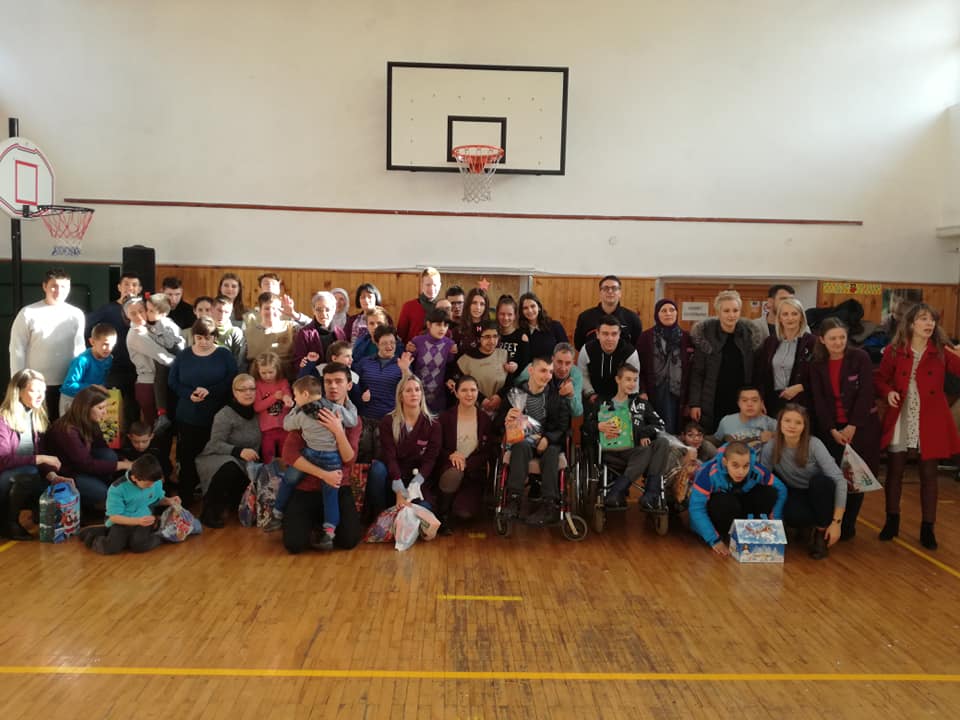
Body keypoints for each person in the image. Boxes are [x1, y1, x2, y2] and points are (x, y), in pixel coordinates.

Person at [874, 303, 960, 550]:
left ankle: (927, 528)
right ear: (911, 324)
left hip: (930, 418)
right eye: (923, 319)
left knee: (929, 474)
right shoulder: (895, 351)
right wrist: (888, 392)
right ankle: (891, 521)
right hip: (901, 414)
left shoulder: (942, 351)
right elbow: (880, 378)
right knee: (895, 471)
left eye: (932, 319)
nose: (929, 323)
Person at [808, 317, 881, 540]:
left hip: (861, 427)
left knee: (856, 476)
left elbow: (866, 393)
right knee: (832, 476)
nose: (838, 342)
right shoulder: (816, 364)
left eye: (842, 337)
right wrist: (831, 429)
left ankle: (848, 525)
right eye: (833, 338)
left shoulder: (860, 357)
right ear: (822, 340)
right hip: (831, 429)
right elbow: (819, 401)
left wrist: (852, 425)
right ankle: (831, 521)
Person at [265, 371, 358, 546]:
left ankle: (277, 512)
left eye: (296, 396)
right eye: (328, 382)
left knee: (289, 478)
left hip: (314, 456)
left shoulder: (301, 414)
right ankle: (328, 532)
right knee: (295, 543)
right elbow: (289, 455)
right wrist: (325, 475)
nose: (333, 386)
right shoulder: (336, 410)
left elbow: (286, 424)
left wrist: (295, 408)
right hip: (328, 464)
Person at [760, 404, 847, 559]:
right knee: (792, 514)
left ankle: (821, 533)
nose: (792, 426)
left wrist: (836, 523)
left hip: (819, 492)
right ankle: (804, 526)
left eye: (798, 422)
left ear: (804, 426)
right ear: (780, 423)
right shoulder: (771, 447)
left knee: (821, 482)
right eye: (787, 420)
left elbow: (839, 480)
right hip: (795, 490)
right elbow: (763, 480)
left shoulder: (814, 444)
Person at [168, 318, 238, 502]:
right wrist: (188, 394)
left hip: (217, 416)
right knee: (187, 457)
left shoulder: (224, 354)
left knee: (215, 455)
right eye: (199, 338)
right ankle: (186, 497)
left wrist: (210, 391)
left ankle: (215, 497)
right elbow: (172, 381)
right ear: (193, 337)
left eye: (208, 338)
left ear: (214, 336)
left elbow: (231, 379)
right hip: (188, 415)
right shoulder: (184, 355)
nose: (203, 342)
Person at [588, 363, 672, 510]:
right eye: (628, 379)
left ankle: (651, 495)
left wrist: (645, 433)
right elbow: (586, 426)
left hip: (637, 451)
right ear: (618, 380)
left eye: (635, 380)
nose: (632, 384)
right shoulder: (603, 402)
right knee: (645, 451)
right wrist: (598, 426)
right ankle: (617, 491)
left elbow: (660, 424)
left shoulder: (642, 404)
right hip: (613, 451)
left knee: (662, 443)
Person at [499, 355, 571, 525]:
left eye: (550, 372)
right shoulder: (515, 394)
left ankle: (549, 505)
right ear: (531, 370)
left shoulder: (556, 396)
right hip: (523, 441)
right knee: (520, 445)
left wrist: (547, 438)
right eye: (543, 371)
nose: (547, 376)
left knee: (552, 453)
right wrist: (506, 418)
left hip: (549, 443)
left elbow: (564, 428)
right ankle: (514, 499)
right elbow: (498, 423)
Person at [8, 268, 85, 421]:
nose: (59, 291)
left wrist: (80, 379)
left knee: (63, 426)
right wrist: (19, 382)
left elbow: (79, 348)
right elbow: (17, 349)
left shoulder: (76, 314)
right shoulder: (28, 313)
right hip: (34, 385)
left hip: (67, 384)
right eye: (54, 286)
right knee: (36, 426)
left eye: (63, 287)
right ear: (44, 286)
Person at [688, 441, 787, 556]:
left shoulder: (755, 469)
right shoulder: (708, 473)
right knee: (724, 503)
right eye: (735, 465)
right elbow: (696, 508)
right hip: (720, 510)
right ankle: (722, 533)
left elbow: (781, 488)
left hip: (739, 505)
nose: (741, 472)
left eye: (746, 466)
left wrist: (775, 520)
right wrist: (714, 540)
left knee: (769, 492)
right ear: (725, 462)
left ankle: (750, 531)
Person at [365, 374, 442, 521]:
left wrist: (417, 481)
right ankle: (379, 516)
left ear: (422, 394)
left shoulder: (433, 425)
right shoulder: (388, 421)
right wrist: (398, 484)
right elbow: (390, 456)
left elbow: (430, 459)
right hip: (393, 477)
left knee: (425, 509)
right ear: (400, 396)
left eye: (417, 390)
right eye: (408, 390)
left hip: (417, 481)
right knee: (377, 469)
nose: (414, 393)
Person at [46, 386, 133, 511]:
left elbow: (101, 446)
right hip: (66, 472)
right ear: (86, 408)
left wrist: (124, 460)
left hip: (81, 465)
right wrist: (123, 465)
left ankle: (101, 489)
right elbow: (85, 464)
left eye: (105, 408)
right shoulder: (67, 430)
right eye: (100, 408)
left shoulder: (89, 421)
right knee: (101, 492)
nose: (105, 412)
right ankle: (86, 503)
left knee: (110, 455)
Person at [688, 290, 764, 434]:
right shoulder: (706, 336)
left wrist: (759, 400)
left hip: (741, 399)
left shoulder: (749, 336)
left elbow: (757, 374)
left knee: (740, 438)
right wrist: (695, 403)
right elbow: (697, 374)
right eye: (726, 311)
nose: (731, 315)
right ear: (718, 312)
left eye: (735, 310)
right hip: (713, 398)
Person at [0, 370, 63, 539]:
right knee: (29, 472)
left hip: (26, 475)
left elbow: (39, 454)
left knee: (54, 485)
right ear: (18, 392)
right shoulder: (2, 419)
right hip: (5, 477)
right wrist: (39, 459)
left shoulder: (35, 416)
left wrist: (52, 475)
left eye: (43, 391)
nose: (40, 396)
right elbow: (3, 460)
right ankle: (8, 524)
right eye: (34, 391)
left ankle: (37, 515)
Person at [195, 374, 261, 528]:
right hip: (218, 457)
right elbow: (215, 443)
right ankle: (209, 513)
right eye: (242, 389)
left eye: (252, 389)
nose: (248, 393)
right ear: (234, 392)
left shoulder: (260, 412)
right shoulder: (225, 414)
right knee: (229, 467)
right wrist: (239, 451)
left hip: (247, 462)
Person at [78, 454, 179, 555]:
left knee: (139, 545)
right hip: (122, 521)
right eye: (148, 484)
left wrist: (168, 501)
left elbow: (156, 500)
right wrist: (138, 521)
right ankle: (93, 537)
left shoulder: (154, 481)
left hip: (144, 519)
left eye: (154, 483)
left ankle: (162, 536)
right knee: (111, 547)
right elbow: (114, 517)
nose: (151, 486)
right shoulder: (117, 489)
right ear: (134, 478)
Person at [433, 375, 495, 534]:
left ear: (478, 392)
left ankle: (456, 501)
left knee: (464, 513)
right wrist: (451, 455)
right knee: (454, 472)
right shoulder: (445, 418)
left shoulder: (485, 419)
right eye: (464, 390)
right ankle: (443, 514)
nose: (469, 394)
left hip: (473, 474)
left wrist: (468, 463)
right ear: (456, 393)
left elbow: (488, 451)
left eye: (473, 390)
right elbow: (436, 447)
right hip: (450, 468)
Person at [86, 271, 142, 426]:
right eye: (126, 284)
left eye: (134, 285)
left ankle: (134, 438)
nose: (130, 288)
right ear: (119, 287)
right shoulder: (107, 309)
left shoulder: (143, 309)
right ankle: (110, 440)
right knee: (110, 411)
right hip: (114, 367)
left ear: (139, 289)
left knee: (134, 409)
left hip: (139, 368)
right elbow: (86, 327)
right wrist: (95, 352)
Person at [353, 325, 413, 462]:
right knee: (363, 456)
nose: (389, 346)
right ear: (376, 343)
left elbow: (412, 388)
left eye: (392, 342)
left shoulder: (402, 364)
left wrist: (405, 370)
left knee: (383, 459)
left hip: (390, 419)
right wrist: (361, 396)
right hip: (365, 418)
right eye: (384, 343)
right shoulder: (364, 362)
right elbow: (353, 385)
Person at [635, 299, 694, 434]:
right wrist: (642, 390)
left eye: (672, 310)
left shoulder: (687, 338)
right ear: (657, 314)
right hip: (653, 393)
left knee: (675, 430)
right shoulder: (645, 337)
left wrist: (690, 401)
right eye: (664, 310)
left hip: (679, 394)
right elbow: (638, 368)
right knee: (655, 429)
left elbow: (692, 371)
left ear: (677, 313)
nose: (668, 313)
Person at [754, 297, 815, 417]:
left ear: (801, 317)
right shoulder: (770, 342)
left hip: (801, 402)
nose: (790, 318)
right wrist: (759, 399)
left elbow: (820, 375)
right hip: (772, 401)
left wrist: (801, 387)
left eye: (794, 314)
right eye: (785, 314)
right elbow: (760, 374)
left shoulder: (812, 342)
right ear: (780, 318)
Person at [124, 298, 174, 424]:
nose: (138, 316)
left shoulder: (149, 328)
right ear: (127, 316)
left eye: (141, 311)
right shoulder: (136, 334)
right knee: (154, 428)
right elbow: (163, 357)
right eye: (133, 313)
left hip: (159, 383)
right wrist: (187, 363)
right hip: (149, 385)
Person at [578, 315, 640, 405]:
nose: (610, 338)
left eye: (614, 334)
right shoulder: (586, 350)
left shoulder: (630, 353)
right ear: (597, 334)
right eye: (605, 334)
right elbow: (582, 375)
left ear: (619, 334)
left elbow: (634, 382)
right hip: (593, 398)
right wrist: (590, 394)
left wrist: (627, 402)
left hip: (622, 400)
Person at [453, 320, 509, 416]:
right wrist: (481, 399)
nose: (492, 341)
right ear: (479, 339)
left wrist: (499, 396)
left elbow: (510, 382)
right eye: (487, 337)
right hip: (473, 411)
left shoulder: (504, 355)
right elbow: (461, 386)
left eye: (495, 336)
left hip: (501, 410)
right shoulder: (465, 360)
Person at [59, 323, 117, 416]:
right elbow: (68, 385)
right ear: (92, 342)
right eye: (105, 344)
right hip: (72, 400)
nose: (109, 349)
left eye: (112, 345)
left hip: (90, 400)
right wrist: (94, 387)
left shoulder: (108, 359)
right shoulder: (82, 361)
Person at [515, 342, 584, 419]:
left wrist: (571, 395)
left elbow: (577, 412)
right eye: (559, 362)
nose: (563, 368)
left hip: (559, 421)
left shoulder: (576, 375)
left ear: (573, 362)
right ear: (552, 359)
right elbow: (516, 385)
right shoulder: (536, 367)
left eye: (568, 363)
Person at [408, 308, 457, 413]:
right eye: (438, 324)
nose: (442, 328)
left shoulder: (450, 345)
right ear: (429, 324)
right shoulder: (417, 341)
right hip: (417, 394)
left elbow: (450, 369)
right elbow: (409, 366)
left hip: (438, 396)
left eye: (445, 325)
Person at [573, 275, 643, 348]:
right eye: (606, 288)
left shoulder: (632, 318)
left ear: (620, 293)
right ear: (600, 293)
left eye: (614, 288)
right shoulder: (585, 317)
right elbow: (579, 345)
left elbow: (637, 345)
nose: (610, 291)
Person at [245, 292, 298, 379]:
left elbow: (313, 327)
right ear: (260, 310)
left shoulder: (291, 327)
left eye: (275, 308)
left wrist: (294, 314)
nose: (271, 312)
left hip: (286, 377)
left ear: (281, 310)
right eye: (267, 308)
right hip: (258, 378)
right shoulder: (249, 332)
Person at [251, 352, 293, 463]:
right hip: (267, 430)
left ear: (277, 369)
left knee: (286, 456)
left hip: (284, 427)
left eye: (271, 372)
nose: (268, 376)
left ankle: (286, 473)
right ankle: (270, 473)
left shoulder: (282, 382)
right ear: (258, 371)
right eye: (263, 373)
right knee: (268, 457)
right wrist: (274, 397)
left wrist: (287, 399)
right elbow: (257, 407)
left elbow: (286, 393)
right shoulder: (257, 385)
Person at [293, 291, 343, 371]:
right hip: (314, 376)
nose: (323, 314)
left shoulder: (340, 332)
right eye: (319, 310)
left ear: (334, 310)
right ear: (313, 310)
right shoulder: (305, 333)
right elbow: (298, 363)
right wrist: (307, 362)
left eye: (327, 309)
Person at [712, 386, 776, 448]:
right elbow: (717, 441)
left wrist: (773, 435)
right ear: (738, 403)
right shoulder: (727, 421)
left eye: (754, 400)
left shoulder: (771, 423)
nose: (749, 404)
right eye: (744, 400)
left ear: (762, 403)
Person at [243, 272, 310, 330]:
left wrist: (294, 315)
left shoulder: (289, 314)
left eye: (273, 284)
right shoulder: (249, 317)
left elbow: (312, 328)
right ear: (260, 289)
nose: (270, 286)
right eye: (266, 284)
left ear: (279, 289)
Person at [397, 267, 442, 343]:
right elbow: (401, 334)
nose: (431, 289)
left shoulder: (443, 307)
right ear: (422, 285)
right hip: (414, 348)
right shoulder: (409, 306)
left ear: (440, 285)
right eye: (428, 285)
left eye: (435, 285)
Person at [518, 292, 568, 360]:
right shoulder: (521, 332)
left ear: (539, 307)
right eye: (525, 308)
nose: (530, 310)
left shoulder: (555, 326)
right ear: (522, 311)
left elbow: (566, 352)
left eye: (533, 306)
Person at [210, 296, 247, 372]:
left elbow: (239, 360)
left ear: (230, 313)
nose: (222, 315)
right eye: (219, 310)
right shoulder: (204, 330)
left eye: (226, 312)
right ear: (212, 310)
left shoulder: (235, 332)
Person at [496, 295, 530, 377]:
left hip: (513, 382)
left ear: (515, 316)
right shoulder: (493, 335)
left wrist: (517, 367)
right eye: (502, 314)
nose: (506, 318)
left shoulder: (522, 337)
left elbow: (525, 363)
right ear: (497, 314)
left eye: (510, 314)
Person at [454, 287, 489, 354]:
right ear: (468, 304)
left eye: (482, 304)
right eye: (474, 303)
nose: (478, 307)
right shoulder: (457, 330)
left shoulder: (491, 329)